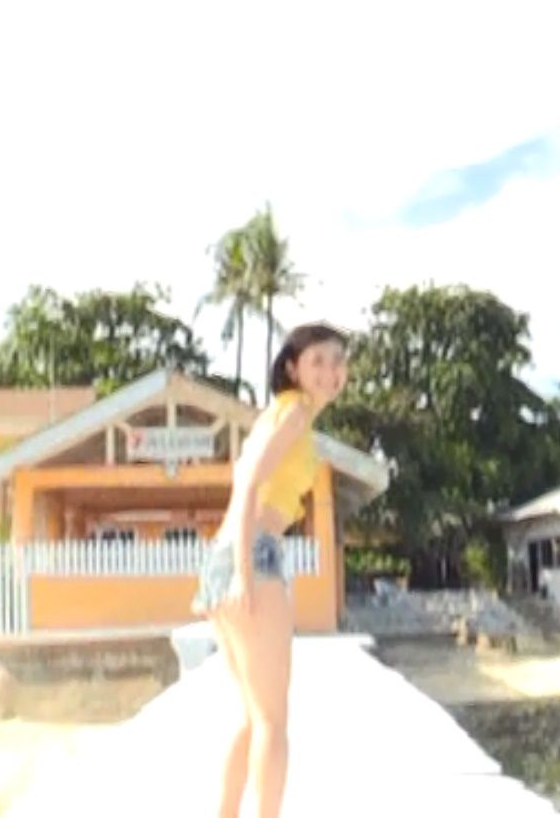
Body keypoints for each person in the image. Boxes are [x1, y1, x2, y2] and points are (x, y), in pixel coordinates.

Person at [190, 322, 349, 818]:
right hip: (250, 555)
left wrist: (231, 568)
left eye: (337, 361)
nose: (330, 371)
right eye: (317, 361)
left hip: (231, 555)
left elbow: (245, 479)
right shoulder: (294, 411)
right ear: (293, 368)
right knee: (272, 723)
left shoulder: (283, 414)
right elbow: (250, 484)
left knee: (253, 718)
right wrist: (242, 572)